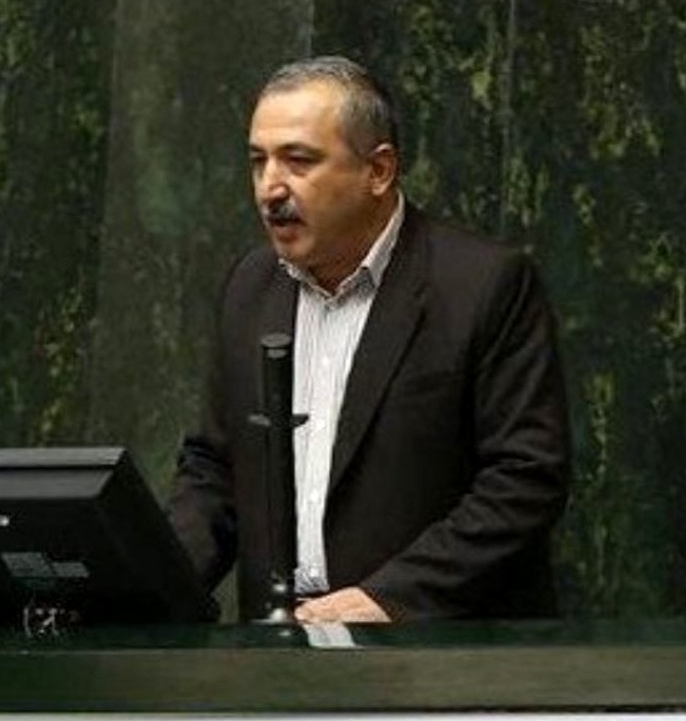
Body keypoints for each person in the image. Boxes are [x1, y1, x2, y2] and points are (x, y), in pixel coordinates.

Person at [167, 56, 570, 623]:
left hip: (428, 645)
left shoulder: (482, 285)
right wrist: (154, 588)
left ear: (378, 171)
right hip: (279, 647)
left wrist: (392, 597)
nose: (270, 188)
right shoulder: (249, 286)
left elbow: (524, 479)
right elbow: (215, 468)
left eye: (299, 161)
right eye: (259, 162)